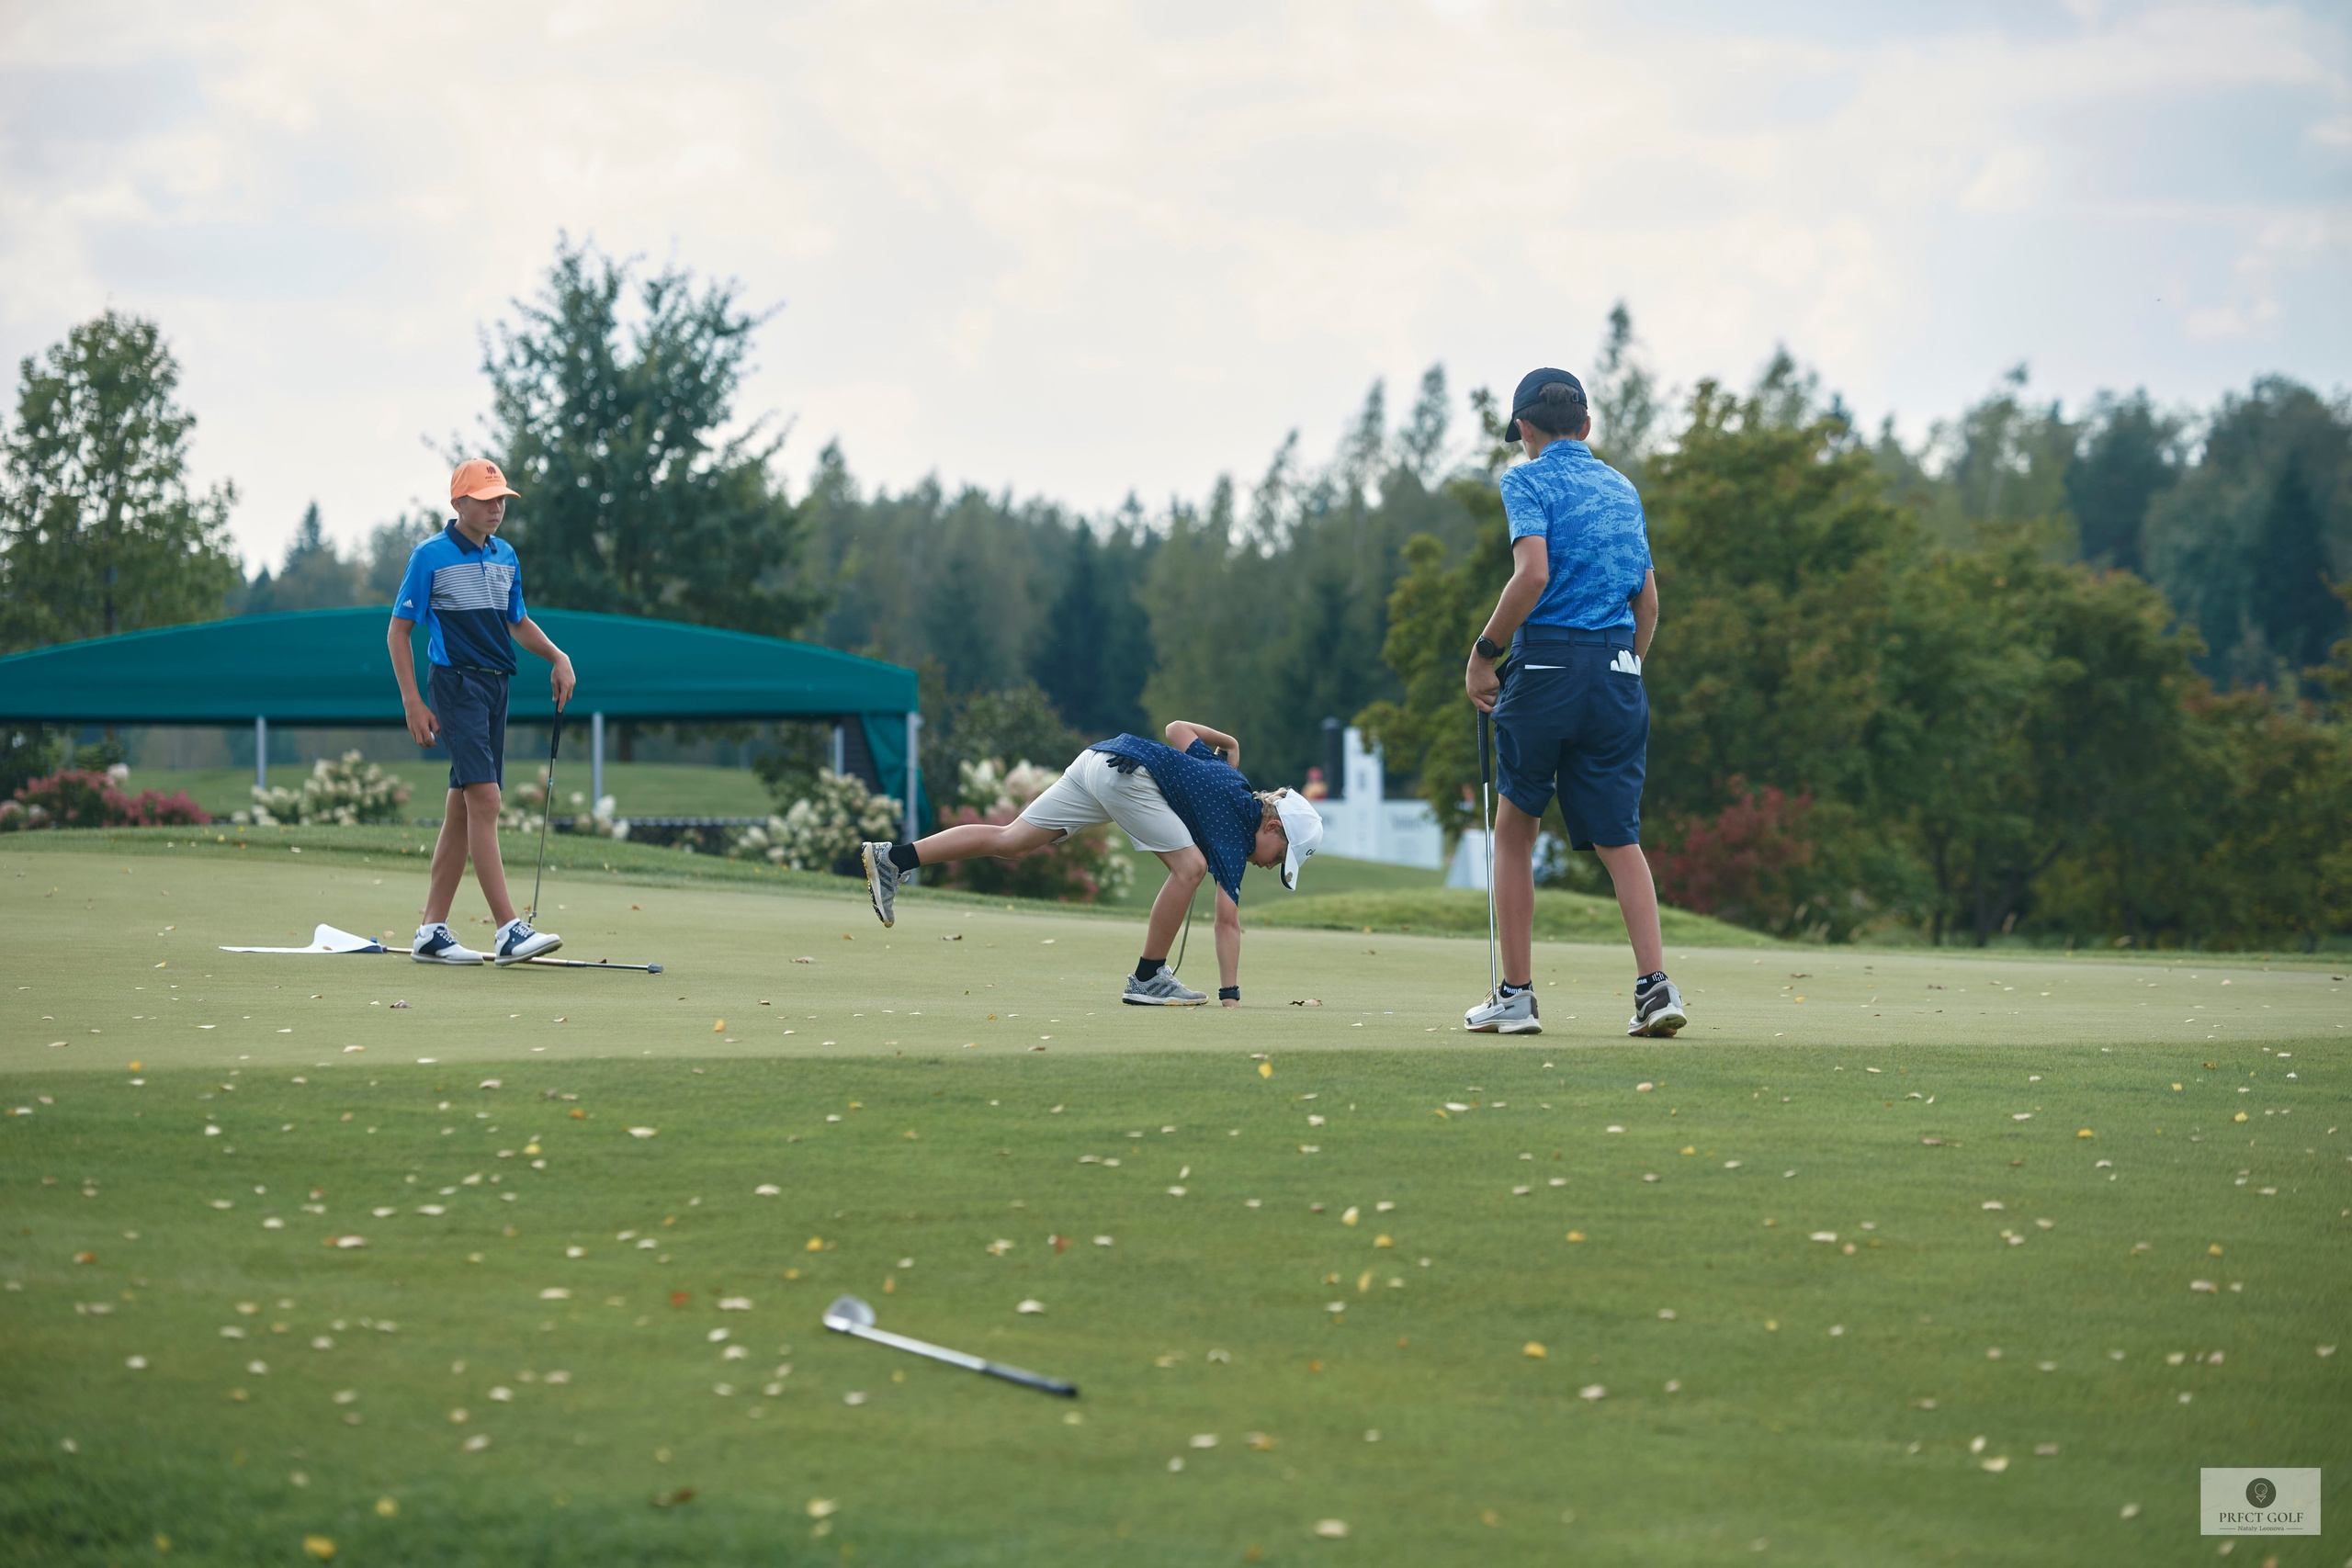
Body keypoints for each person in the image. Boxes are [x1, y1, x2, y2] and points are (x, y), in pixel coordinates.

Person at [1462, 369, 1688, 1038]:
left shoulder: (1525, 479)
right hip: (1619, 672)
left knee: (1516, 828)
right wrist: (1626, 668)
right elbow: (1648, 600)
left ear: (1525, 430)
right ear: (1586, 427)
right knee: (1621, 838)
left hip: (1548, 667)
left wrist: (1484, 651)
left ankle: (1516, 996)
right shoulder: (1622, 488)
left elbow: (1532, 573)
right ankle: (1655, 988)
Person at [858, 720, 1324, 1007]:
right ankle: (1148, 978)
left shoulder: (1232, 780)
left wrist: (1229, 742)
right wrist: (1230, 998)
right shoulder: (1234, 825)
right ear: (1273, 828)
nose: (1270, 867)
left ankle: (892, 858)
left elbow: (1177, 730)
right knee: (1191, 868)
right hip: (1126, 779)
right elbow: (1226, 921)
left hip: (1100, 758)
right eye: (1279, 858)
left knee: (1012, 839)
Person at [388, 458, 576, 966]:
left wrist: (557, 657)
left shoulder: (506, 556)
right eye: (486, 499)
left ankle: (430, 931)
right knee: (486, 800)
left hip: (497, 688)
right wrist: (412, 702)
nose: (496, 508)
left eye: (501, 499)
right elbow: (398, 632)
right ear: (458, 503)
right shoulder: (429, 556)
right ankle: (508, 930)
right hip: (455, 685)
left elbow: (517, 623)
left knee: (461, 808)